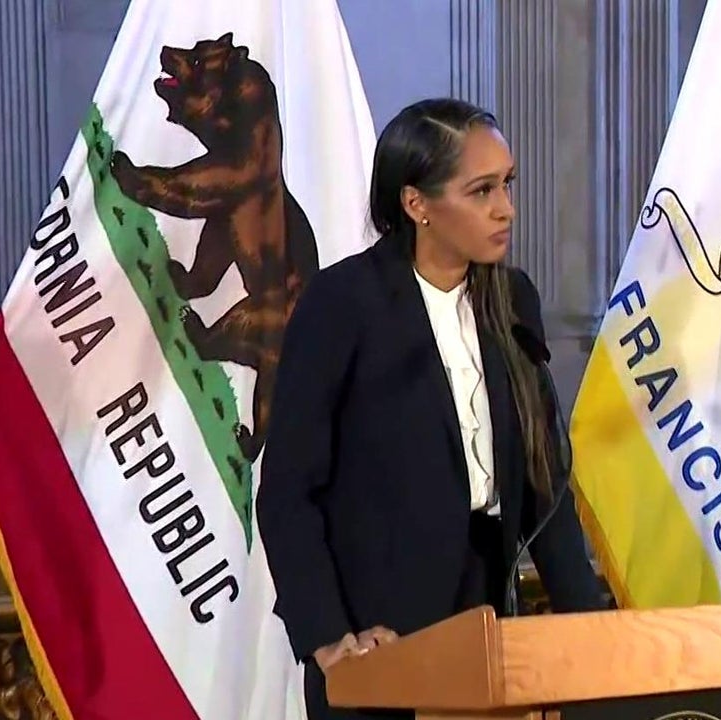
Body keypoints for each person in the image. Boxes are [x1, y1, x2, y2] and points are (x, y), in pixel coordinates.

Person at [256, 97, 607, 719]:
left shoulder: (512, 299)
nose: (506, 208)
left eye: (507, 184)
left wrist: (597, 639)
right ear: (417, 204)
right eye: (482, 191)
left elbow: (543, 482)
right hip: (379, 643)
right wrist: (330, 639)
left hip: (486, 629)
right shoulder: (343, 303)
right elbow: (287, 493)